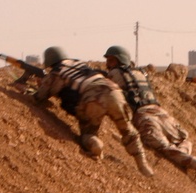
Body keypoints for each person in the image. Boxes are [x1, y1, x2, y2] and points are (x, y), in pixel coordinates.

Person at [103, 45, 196, 185]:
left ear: (119, 61)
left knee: (163, 147)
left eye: (111, 60)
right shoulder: (140, 73)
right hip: (161, 113)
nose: (108, 64)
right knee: (183, 139)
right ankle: (183, 157)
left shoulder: (114, 73)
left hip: (144, 116)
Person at [31, 47, 153, 177]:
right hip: (114, 92)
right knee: (127, 129)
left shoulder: (57, 72)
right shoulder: (79, 64)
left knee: (88, 133)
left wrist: (38, 85)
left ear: (49, 61)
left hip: (92, 98)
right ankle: (142, 164)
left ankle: (96, 145)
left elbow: (38, 97)